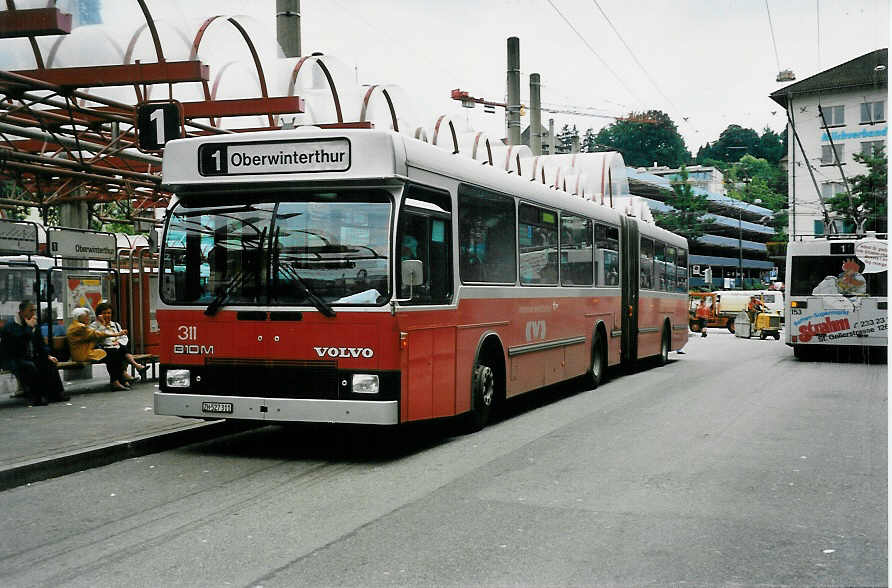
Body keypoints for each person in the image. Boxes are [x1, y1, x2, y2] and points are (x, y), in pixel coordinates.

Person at [0, 300, 67, 405]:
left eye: (34, 310)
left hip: (28, 357)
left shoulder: (33, 325)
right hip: (13, 359)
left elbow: (40, 344)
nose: (33, 314)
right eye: (30, 311)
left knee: (49, 363)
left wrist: (47, 355)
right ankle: (37, 397)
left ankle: (56, 394)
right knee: (29, 366)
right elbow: (18, 344)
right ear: (21, 312)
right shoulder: (10, 327)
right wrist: (30, 328)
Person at [67, 307, 129, 391]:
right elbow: (97, 334)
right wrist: (116, 334)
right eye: (86, 316)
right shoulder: (80, 327)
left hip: (85, 351)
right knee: (113, 354)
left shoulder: (78, 326)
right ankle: (119, 379)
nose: (88, 318)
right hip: (83, 354)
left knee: (115, 353)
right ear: (80, 317)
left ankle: (119, 380)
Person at [91, 301, 146, 383]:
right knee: (115, 353)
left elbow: (124, 337)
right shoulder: (94, 326)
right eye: (104, 313)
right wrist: (103, 324)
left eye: (109, 313)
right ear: (99, 315)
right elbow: (99, 337)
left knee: (121, 348)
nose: (107, 315)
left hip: (116, 348)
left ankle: (125, 375)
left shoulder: (115, 324)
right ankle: (125, 374)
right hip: (103, 350)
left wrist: (118, 342)